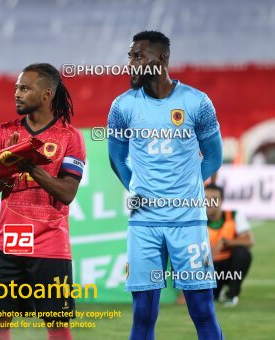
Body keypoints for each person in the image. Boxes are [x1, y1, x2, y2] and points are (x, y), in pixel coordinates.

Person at [108, 31, 224, 339]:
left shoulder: (197, 102)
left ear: (160, 59)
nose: (130, 63)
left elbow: (214, 156)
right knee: (144, 314)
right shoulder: (122, 106)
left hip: (188, 220)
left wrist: (186, 188)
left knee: (201, 310)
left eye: (137, 57)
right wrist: (138, 190)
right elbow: (117, 159)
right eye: (130, 56)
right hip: (143, 223)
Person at [0, 63, 86, 340]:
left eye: (25, 88)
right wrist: (8, 163)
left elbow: (67, 193)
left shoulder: (69, 137)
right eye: (16, 87)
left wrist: (30, 167)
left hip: (50, 244)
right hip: (7, 243)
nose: (17, 93)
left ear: (47, 94)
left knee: (57, 324)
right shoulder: (3, 133)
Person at [205, 183, 254, 307]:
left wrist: (225, 242)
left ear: (222, 201)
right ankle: (216, 290)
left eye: (214, 199)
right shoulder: (196, 222)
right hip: (209, 268)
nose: (210, 203)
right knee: (211, 297)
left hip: (229, 263)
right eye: (206, 199)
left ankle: (232, 294)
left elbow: (249, 241)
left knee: (242, 252)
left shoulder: (233, 215)